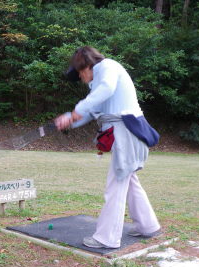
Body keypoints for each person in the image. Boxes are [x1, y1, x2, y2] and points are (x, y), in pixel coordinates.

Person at [55, 46, 160, 249]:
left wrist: (78, 109)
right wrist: (68, 120)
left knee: (117, 183)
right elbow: (91, 111)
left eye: (80, 74)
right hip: (124, 133)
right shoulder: (98, 85)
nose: (82, 79)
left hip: (127, 131)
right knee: (128, 180)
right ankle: (148, 226)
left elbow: (105, 91)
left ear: (86, 66)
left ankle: (107, 238)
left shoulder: (107, 67)